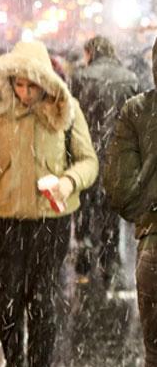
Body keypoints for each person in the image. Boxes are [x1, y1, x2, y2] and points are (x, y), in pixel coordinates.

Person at [0, 41, 98, 367]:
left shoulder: (67, 110)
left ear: (46, 82)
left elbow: (89, 161)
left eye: (33, 85)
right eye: (19, 84)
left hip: (51, 222)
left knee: (42, 305)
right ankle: (14, 361)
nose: (25, 93)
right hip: (6, 220)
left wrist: (69, 181)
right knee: (7, 306)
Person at [103, 36, 157, 367]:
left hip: (155, 247)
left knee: (155, 357)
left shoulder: (137, 111)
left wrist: (150, 213)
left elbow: (120, 189)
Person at [70, 36, 139, 289]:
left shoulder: (81, 77)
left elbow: (71, 119)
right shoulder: (130, 78)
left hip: (86, 153)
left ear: (90, 52)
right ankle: (109, 264)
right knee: (111, 214)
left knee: (85, 210)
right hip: (118, 157)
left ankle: (85, 262)